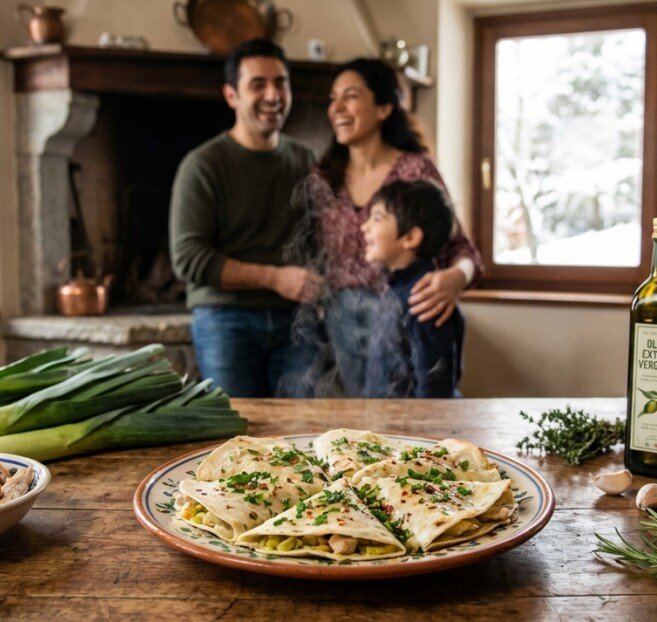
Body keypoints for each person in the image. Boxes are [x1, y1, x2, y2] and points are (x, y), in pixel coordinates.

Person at [288, 58, 482, 397]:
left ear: (383, 108)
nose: (337, 108)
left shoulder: (415, 169)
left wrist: (456, 278)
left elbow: (464, 250)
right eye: (333, 98)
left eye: (350, 96)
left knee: (420, 407)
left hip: (409, 308)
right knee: (369, 417)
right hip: (342, 318)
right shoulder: (324, 175)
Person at [169, 39, 320, 397]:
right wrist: (275, 278)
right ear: (231, 95)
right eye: (258, 84)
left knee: (304, 431)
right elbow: (188, 259)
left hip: (297, 320)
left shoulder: (306, 159)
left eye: (280, 82)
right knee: (240, 432)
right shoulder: (202, 165)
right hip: (225, 319)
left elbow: (324, 238)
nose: (273, 95)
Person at [361, 181, 465, 398]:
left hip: (412, 428)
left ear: (410, 238)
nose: (365, 226)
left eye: (377, 218)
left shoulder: (424, 299)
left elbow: (434, 389)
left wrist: (421, 431)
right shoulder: (395, 289)